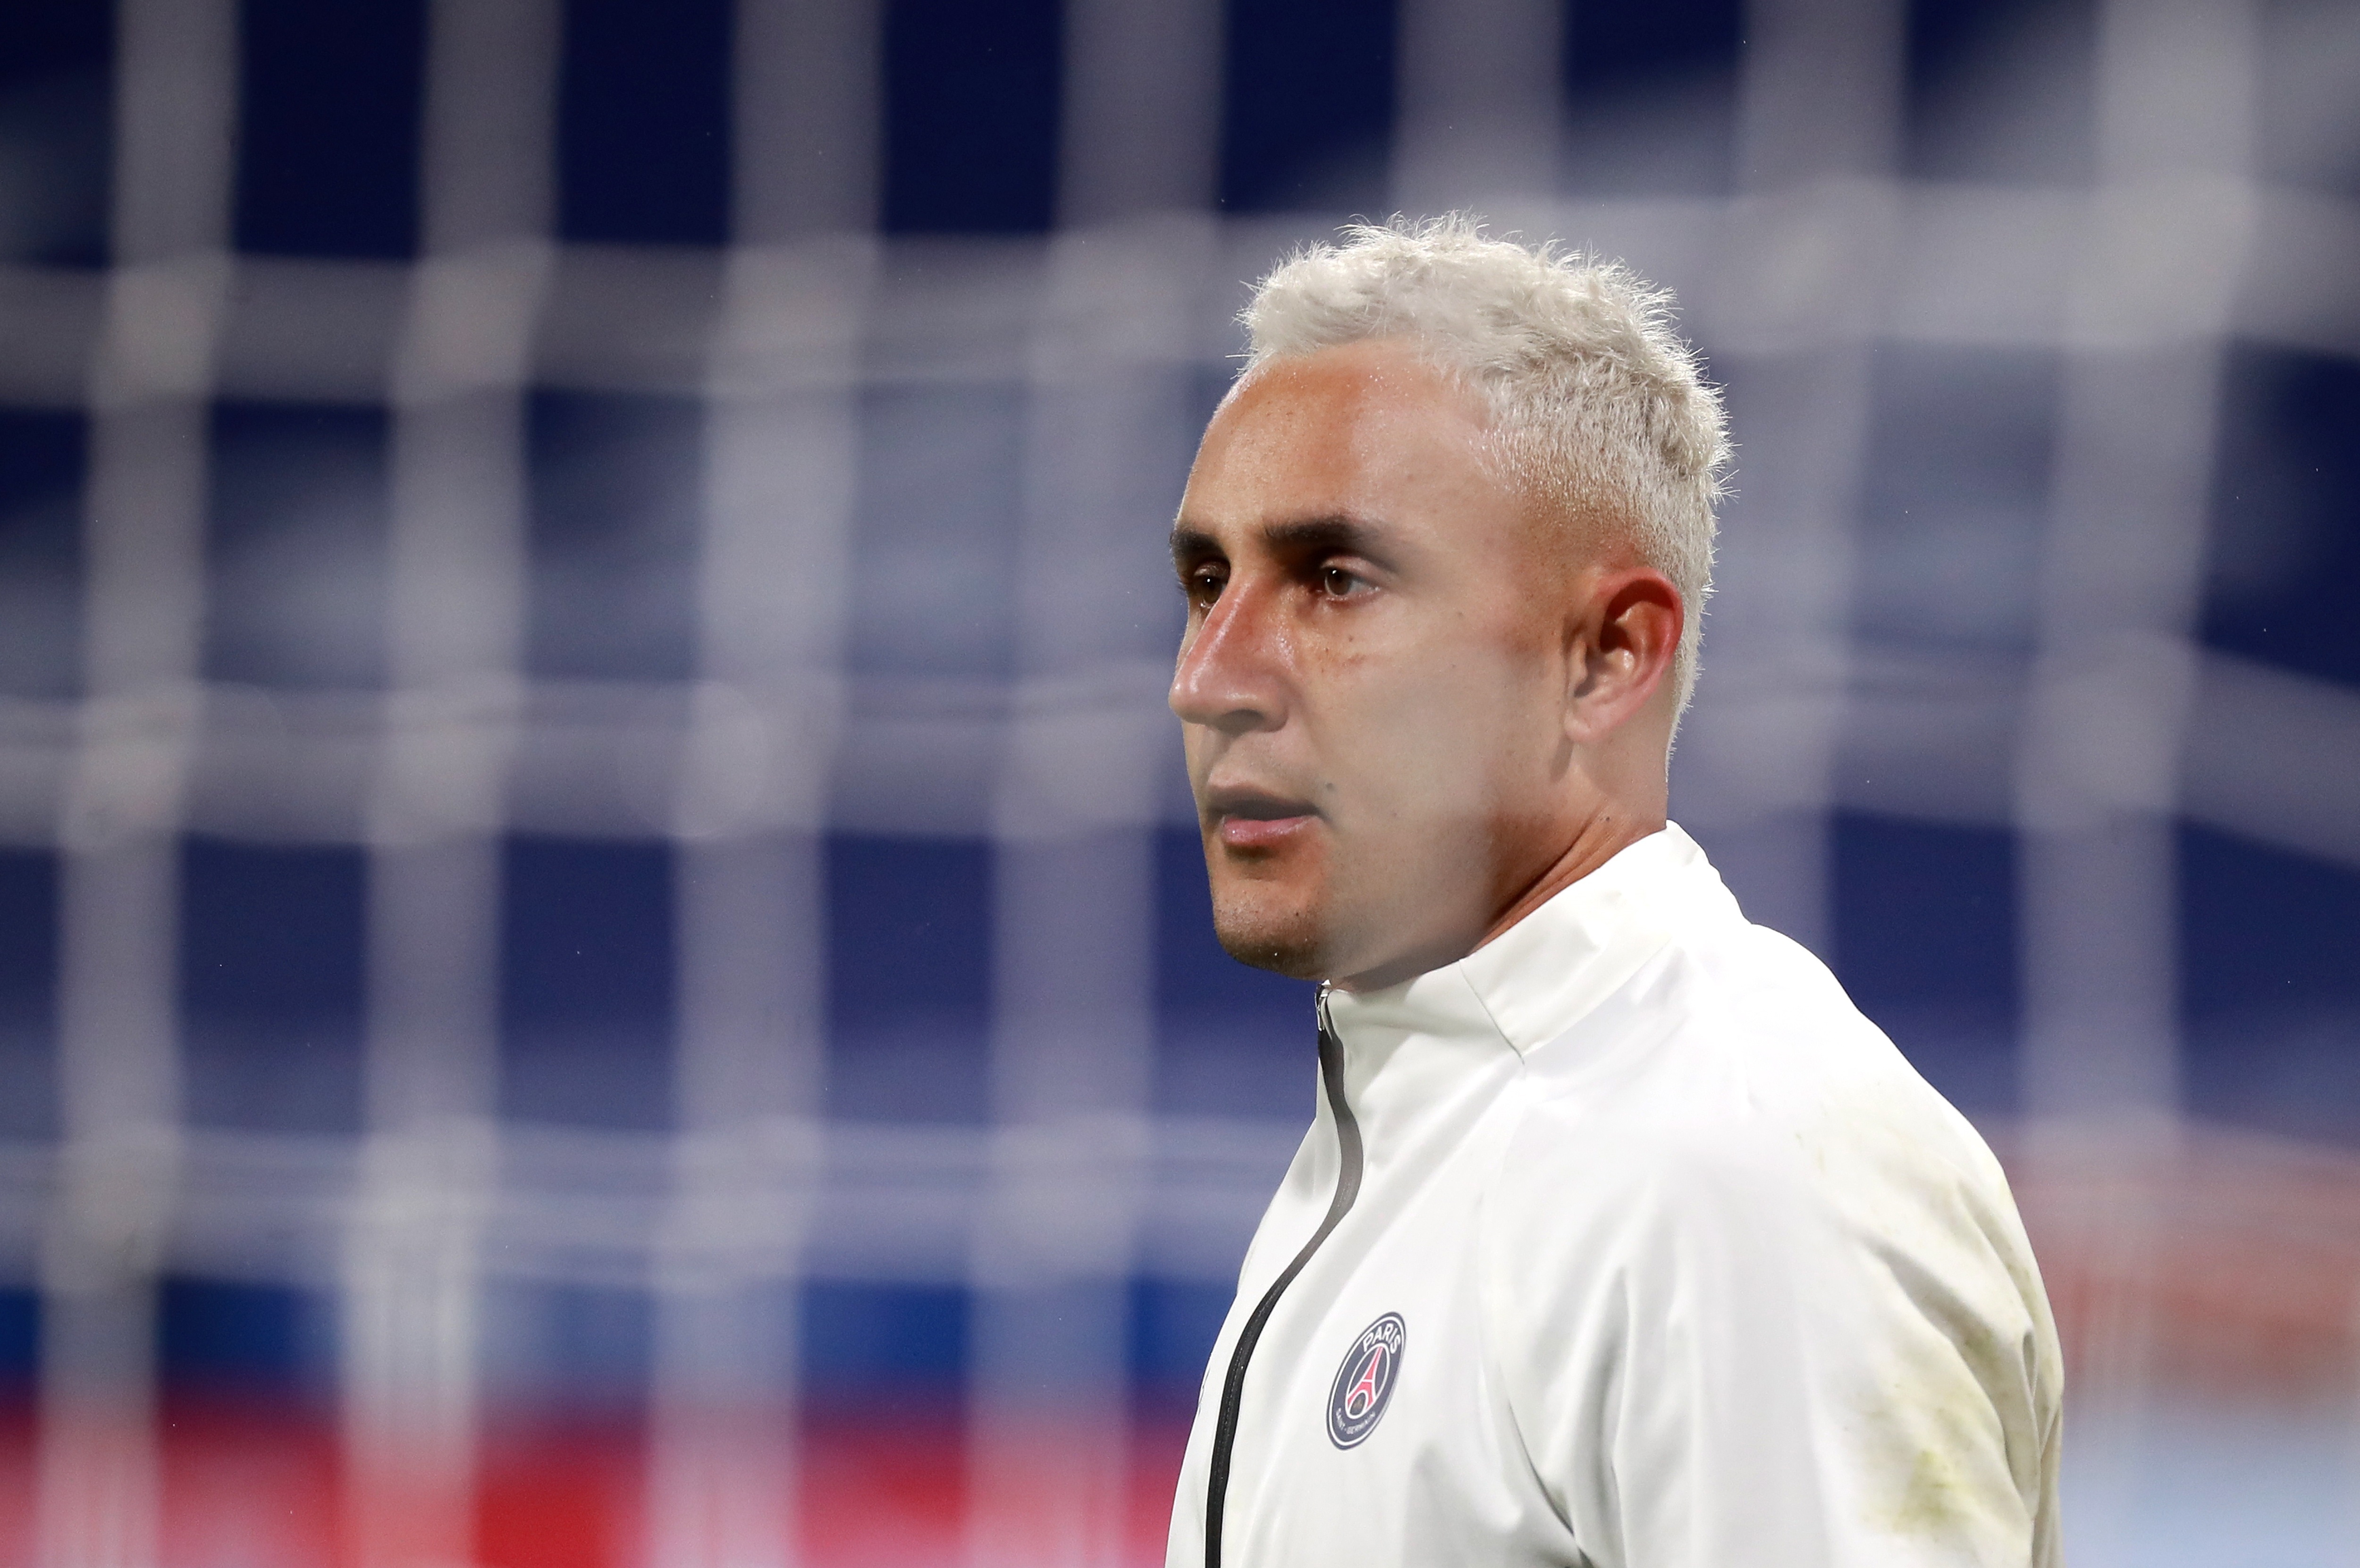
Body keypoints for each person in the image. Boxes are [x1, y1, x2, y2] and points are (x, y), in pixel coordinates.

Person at [1162, 217, 2062, 1567]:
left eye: (1337, 580)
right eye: (1207, 582)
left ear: (1607, 658)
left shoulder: (1732, 1174)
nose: (1210, 679)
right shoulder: (1430, 1127)